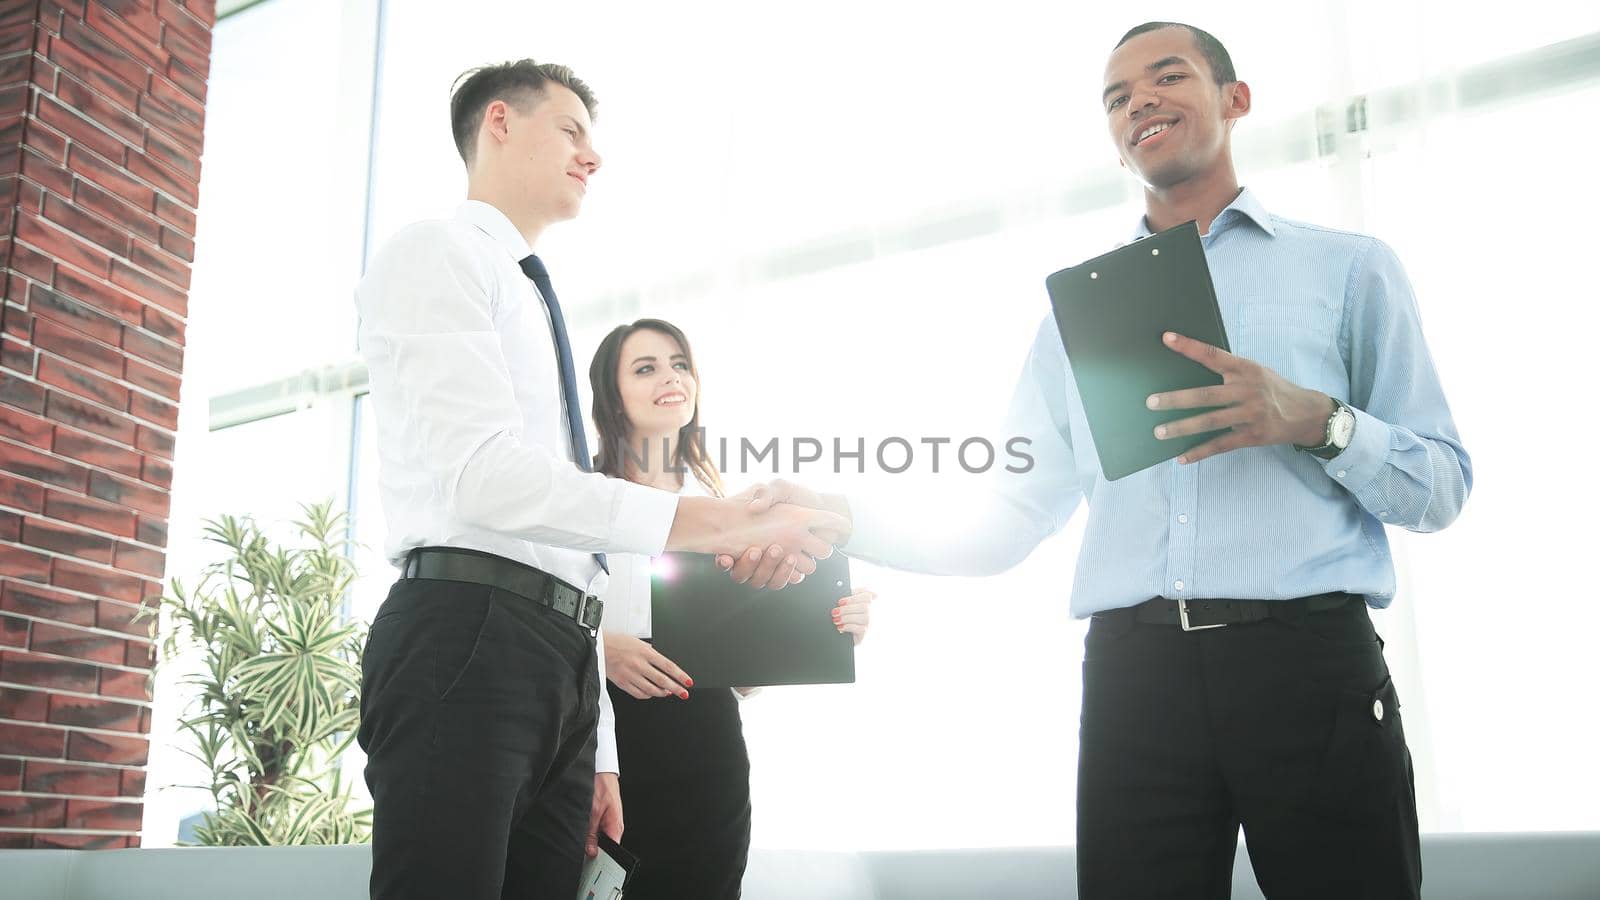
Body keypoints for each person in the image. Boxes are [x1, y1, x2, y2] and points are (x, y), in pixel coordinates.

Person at [746, 22, 1471, 900]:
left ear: (1236, 101)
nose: (1140, 103)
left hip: (1306, 662)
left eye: (1167, 78)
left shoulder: (1348, 269)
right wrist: (841, 514)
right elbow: (1008, 519)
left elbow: (1440, 487)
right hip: (1138, 677)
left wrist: (1316, 419)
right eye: (1118, 97)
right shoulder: (1076, 316)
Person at [352, 60, 847, 900]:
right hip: (471, 631)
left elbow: (567, 546)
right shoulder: (437, 252)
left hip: (559, 662)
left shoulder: (530, 294)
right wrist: (719, 523)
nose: (593, 156)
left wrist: (595, 744)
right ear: (500, 122)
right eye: (573, 131)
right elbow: (485, 480)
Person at [583, 318, 874, 898]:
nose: (671, 377)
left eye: (680, 364)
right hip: (608, 736)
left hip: (708, 741)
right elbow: (535, 615)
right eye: (646, 368)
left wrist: (832, 626)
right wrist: (601, 647)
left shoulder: (727, 510)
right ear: (611, 397)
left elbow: (741, 675)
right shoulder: (584, 498)